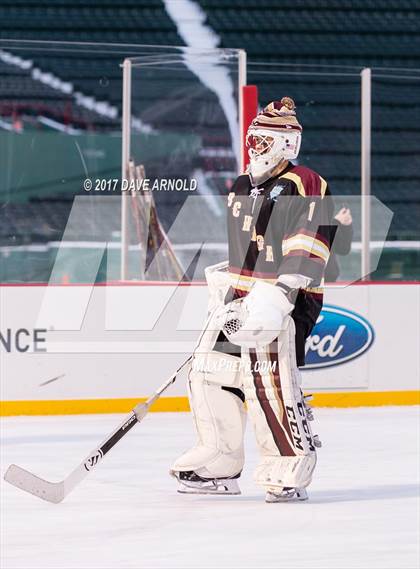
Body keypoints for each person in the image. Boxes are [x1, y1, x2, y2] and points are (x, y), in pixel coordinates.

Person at [170, 98, 335, 502]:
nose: (254, 148)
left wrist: (279, 292)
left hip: (287, 299)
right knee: (208, 371)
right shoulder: (242, 185)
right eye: (252, 139)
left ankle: (287, 465)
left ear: (286, 144)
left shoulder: (304, 181)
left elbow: (312, 241)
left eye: (263, 140)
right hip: (241, 298)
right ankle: (220, 461)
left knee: (268, 381)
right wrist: (226, 288)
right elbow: (247, 248)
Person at [325, 206, 353, 282]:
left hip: (330, 280)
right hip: (312, 281)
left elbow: (343, 249)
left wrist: (345, 226)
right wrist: (336, 222)